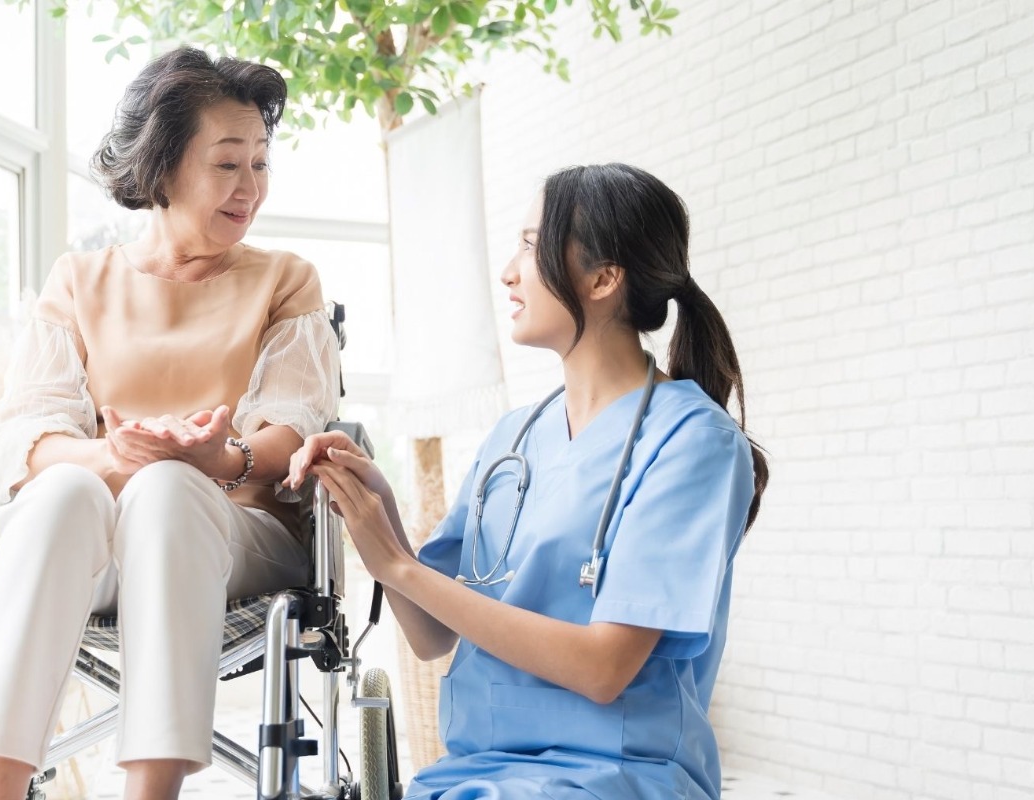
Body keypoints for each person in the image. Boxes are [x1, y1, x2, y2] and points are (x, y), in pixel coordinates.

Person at [288, 163, 770, 799]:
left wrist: (399, 567)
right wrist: (374, 505)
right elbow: (432, 636)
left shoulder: (693, 442)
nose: (509, 272)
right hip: (477, 770)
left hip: (615, 775)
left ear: (603, 278)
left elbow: (604, 668)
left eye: (530, 245)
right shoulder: (514, 438)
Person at [0, 47, 341, 800]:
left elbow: (290, 432)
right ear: (162, 168)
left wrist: (214, 460)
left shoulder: (285, 280)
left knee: (167, 490)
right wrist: (114, 457)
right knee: (62, 492)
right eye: (228, 164)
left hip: (238, 531)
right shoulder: (79, 281)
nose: (250, 187)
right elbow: (24, 437)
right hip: (99, 535)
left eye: (260, 163)